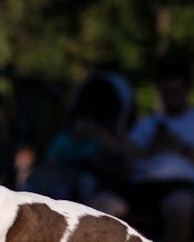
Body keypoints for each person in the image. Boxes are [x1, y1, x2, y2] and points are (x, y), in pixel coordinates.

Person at [127, 58, 194, 242]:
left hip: (185, 187)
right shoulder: (147, 125)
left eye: (176, 92)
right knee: (108, 205)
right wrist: (152, 148)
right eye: (166, 93)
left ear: (187, 89)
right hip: (146, 185)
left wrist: (182, 148)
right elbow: (127, 163)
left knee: (179, 206)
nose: (171, 97)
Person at [40, 71, 133, 217]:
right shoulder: (64, 140)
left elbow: (122, 159)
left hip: (95, 189)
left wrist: (101, 136)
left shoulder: (105, 141)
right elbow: (50, 164)